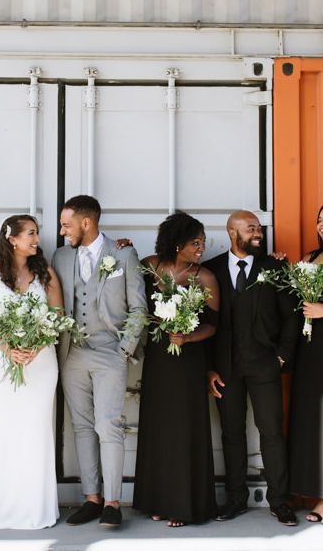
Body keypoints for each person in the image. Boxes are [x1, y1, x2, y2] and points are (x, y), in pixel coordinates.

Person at [52, 195, 147, 528]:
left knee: (108, 425)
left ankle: (113, 503)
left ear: (86, 222)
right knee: (81, 427)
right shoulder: (60, 256)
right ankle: (91, 498)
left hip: (110, 352)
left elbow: (139, 307)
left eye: (66, 224)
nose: (62, 231)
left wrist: (125, 349)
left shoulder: (122, 253)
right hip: (72, 354)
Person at [0, 214, 63, 529]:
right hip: (1, 362)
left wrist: (35, 346)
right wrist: (9, 348)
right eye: (31, 234)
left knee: (36, 431)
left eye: (36, 234)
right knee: (3, 429)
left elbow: (57, 316)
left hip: (41, 362)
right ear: (12, 239)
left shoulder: (46, 274)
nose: (37, 239)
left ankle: (35, 509)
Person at [205, 210, 298, 526]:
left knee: (272, 433)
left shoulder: (274, 268)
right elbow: (205, 322)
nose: (258, 233)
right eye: (251, 228)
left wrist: (282, 357)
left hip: (265, 366)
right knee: (231, 434)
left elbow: (292, 315)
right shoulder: (211, 270)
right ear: (232, 232)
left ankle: (279, 500)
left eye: (259, 228)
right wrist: (208, 369)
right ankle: (235, 499)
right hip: (225, 369)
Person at [132, 212, 219, 526]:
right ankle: (157, 500)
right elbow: (127, 284)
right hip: (159, 359)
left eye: (203, 242)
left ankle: (184, 506)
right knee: (158, 428)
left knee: (185, 430)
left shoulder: (205, 277)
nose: (201, 247)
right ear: (176, 243)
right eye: (195, 242)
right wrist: (122, 249)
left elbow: (213, 326)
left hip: (188, 363)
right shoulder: (151, 265)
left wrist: (188, 336)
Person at [288, 205, 323, 523]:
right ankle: (309, 487)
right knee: (310, 418)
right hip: (310, 350)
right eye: (321, 220)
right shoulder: (310, 258)